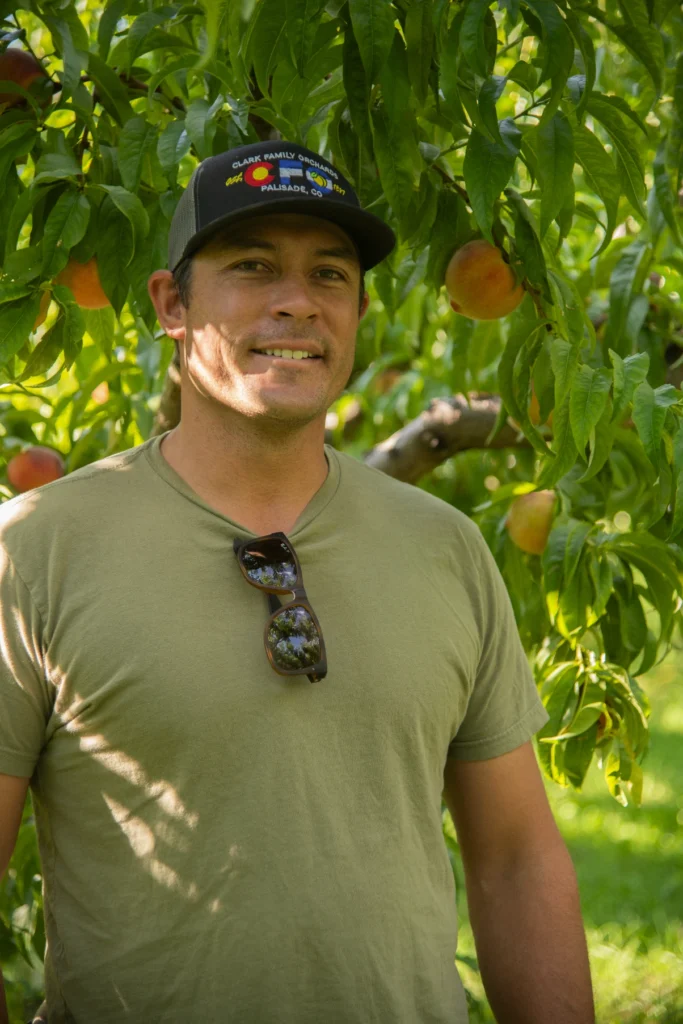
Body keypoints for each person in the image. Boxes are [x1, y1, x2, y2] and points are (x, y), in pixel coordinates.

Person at [0, 140, 595, 1024]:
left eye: (329, 274)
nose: (297, 301)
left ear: (358, 310)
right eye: (251, 266)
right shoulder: (37, 549)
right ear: (171, 304)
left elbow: (515, 860)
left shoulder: (444, 547)